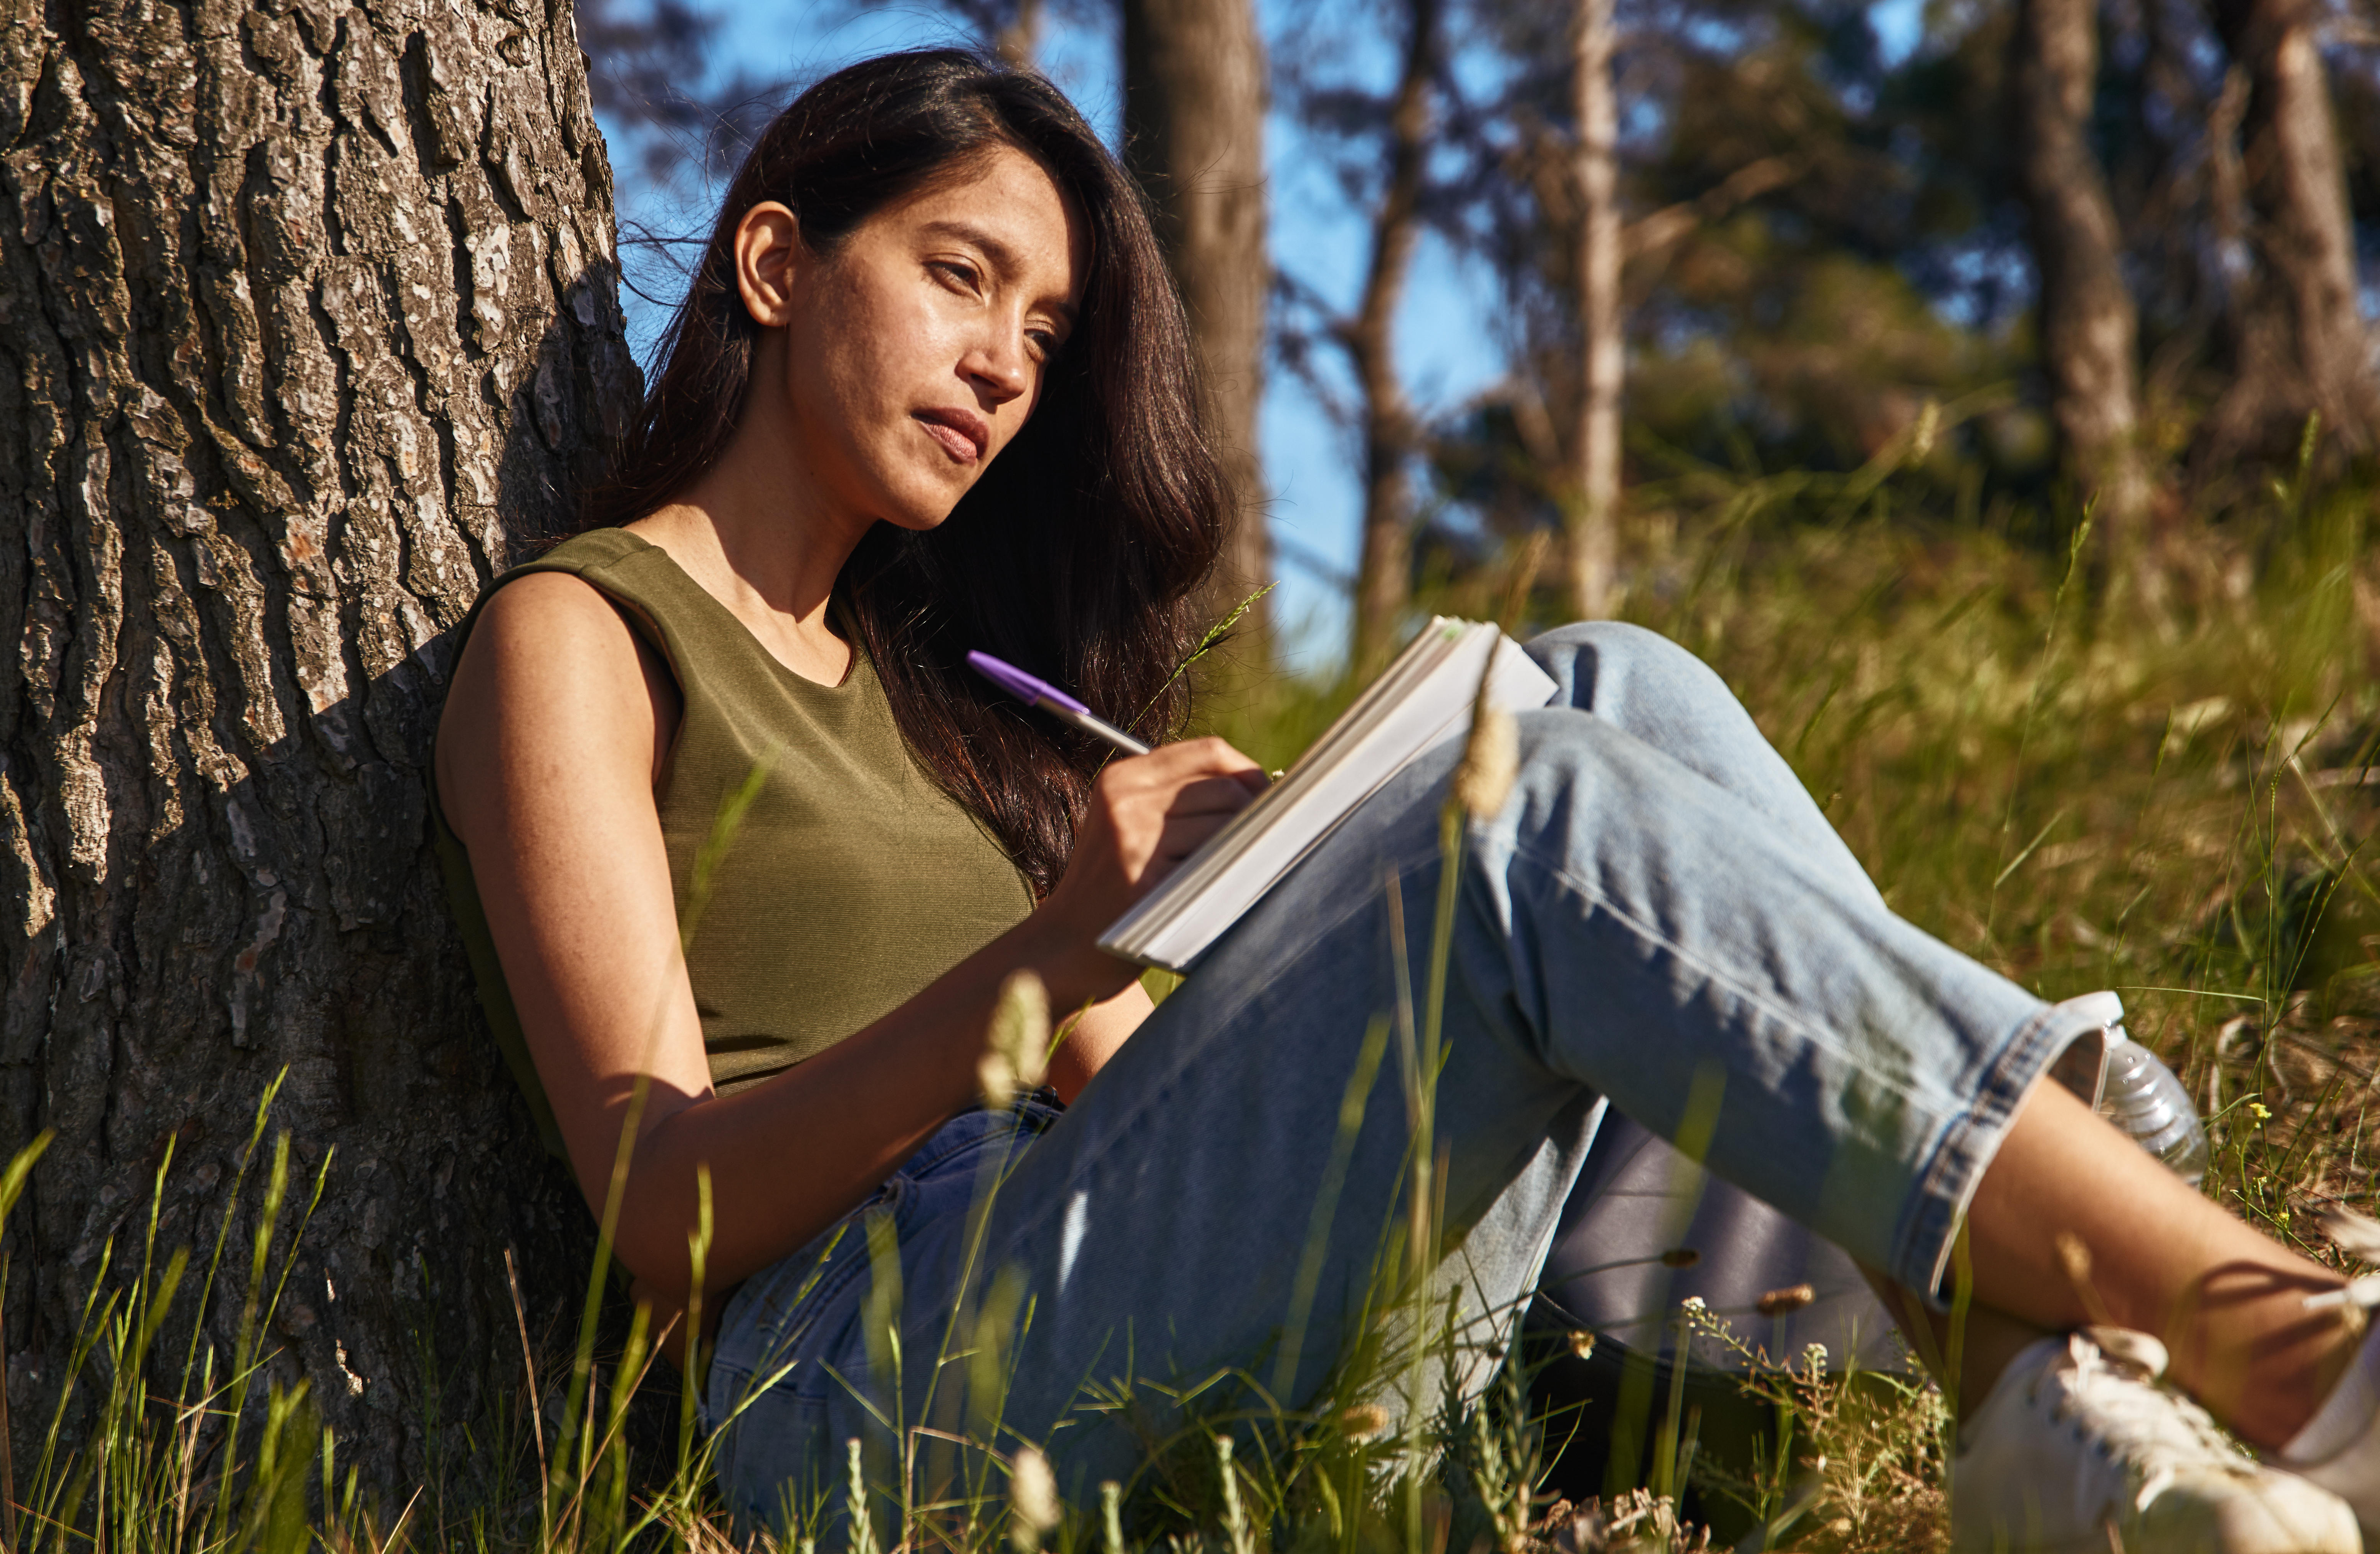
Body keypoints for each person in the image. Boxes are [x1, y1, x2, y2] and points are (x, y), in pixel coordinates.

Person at [430, 49, 2380, 1553]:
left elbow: (1064, 1067)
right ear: (776, 259)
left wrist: (1223, 954)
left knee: (1602, 682)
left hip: (1114, 1278)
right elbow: (658, 1205)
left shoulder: (943, 695)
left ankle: (2007, 1368)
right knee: (1519, 792)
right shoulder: (588, 633)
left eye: (1041, 333)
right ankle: (2276, 1345)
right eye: (960, 278)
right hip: (863, 1399)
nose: (1003, 366)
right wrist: (1050, 951)